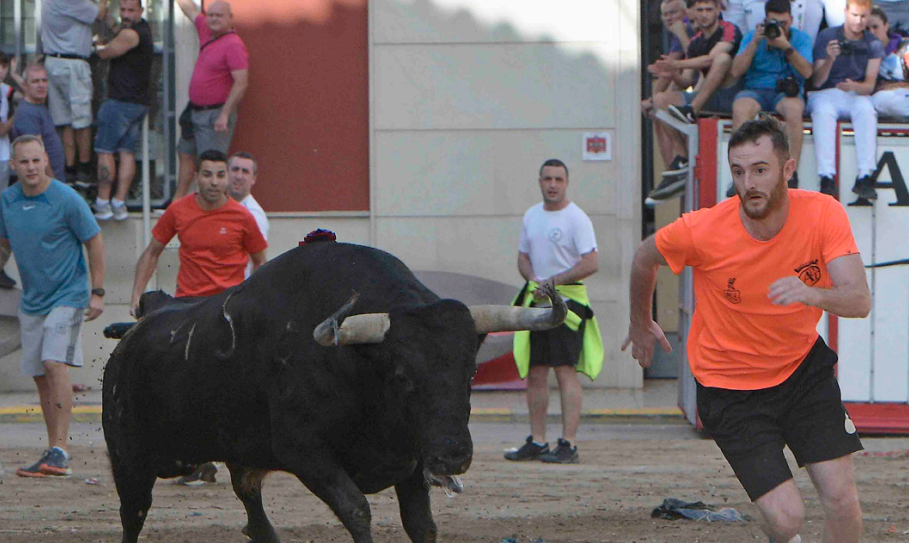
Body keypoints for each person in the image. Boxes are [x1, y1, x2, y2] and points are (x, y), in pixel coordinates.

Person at [624, 116, 868, 543]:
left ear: (787, 170)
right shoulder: (702, 229)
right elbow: (644, 258)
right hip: (730, 387)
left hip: (801, 372)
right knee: (787, 518)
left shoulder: (823, 213)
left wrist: (813, 295)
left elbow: (859, 300)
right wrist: (640, 322)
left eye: (760, 169)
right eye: (738, 171)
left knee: (842, 500)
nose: (748, 182)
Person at [1, 135, 106, 478]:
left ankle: (61, 449)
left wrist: (98, 291)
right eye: (24, 162)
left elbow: (94, 241)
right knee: (39, 375)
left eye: (36, 160)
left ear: (45, 160)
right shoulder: (7, 201)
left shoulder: (66, 199)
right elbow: (4, 247)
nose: (31, 167)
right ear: (13, 165)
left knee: (53, 363)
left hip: (69, 294)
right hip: (33, 300)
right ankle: (52, 449)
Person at [505, 159, 602, 465]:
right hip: (538, 304)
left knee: (564, 371)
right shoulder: (532, 216)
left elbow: (591, 262)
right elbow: (522, 257)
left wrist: (553, 283)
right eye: (547, 178)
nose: (552, 184)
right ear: (540, 181)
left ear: (566, 182)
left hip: (568, 305)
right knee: (535, 372)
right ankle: (537, 440)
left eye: (558, 179)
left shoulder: (577, 219)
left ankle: (568, 443)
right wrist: (532, 279)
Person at [646, 0, 743, 202]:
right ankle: (682, 158)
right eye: (700, 10)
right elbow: (687, 80)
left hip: (731, 97)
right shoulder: (696, 40)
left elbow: (711, 60)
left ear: (718, 10)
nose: (704, 14)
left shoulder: (729, 29)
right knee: (660, 100)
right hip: (704, 97)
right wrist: (671, 72)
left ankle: (692, 110)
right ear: (693, 13)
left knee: (722, 59)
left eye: (709, 9)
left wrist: (676, 63)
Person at [730, 0, 813, 190]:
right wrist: (754, 43)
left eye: (783, 23)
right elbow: (736, 72)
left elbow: (808, 73)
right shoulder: (753, 36)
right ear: (765, 21)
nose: (779, 28)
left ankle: (791, 175)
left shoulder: (800, 38)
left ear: (791, 20)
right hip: (756, 89)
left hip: (786, 91)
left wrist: (786, 46)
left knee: (794, 110)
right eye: (774, 23)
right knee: (740, 108)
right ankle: (740, 174)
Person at [172, 0, 249, 202]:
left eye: (219, 16)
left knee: (212, 168)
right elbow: (188, 9)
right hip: (194, 111)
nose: (213, 19)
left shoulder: (234, 45)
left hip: (215, 116)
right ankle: (177, 202)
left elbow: (241, 82)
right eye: (211, 15)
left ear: (230, 19)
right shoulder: (206, 30)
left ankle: (214, 211)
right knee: (186, 154)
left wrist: (224, 114)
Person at [807, 0, 883, 199]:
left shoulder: (872, 42)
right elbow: (817, 81)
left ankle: (865, 175)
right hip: (826, 92)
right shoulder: (827, 36)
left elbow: (869, 85)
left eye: (863, 16)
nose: (859, 21)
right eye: (855, 15)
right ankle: (826, 176)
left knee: (867, 110)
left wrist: (856, 87)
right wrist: (830, 59)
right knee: (822, 111)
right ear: (846, 12)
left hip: (855, 93)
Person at [92, 0, 154, 221]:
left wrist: (97, 46)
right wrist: (107, 16)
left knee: (105, 150)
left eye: (131, 11)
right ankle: (119, 203)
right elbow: (119, 28)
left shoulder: (131, 35)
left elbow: (107, 53)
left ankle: (103, 202)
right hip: (137, 104)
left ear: (141, 11)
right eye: (123, 10)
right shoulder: (141, 29)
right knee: (127, 152)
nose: (126, 14)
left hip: (119, 103)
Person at [41, 0, 109, 186]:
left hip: (54, 62)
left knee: (65, 122)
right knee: (82, 121)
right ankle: (84, 170)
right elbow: (99, 13)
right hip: (73, 65)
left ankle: (70, 170)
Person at [642, 0, 697, 190]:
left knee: (660, 106)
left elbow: (694, 59)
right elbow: (669, 69)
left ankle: (678, 163)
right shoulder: (677, 33)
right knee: (658, 108)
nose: (668, 18)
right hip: (693, 88)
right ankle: (674, 168)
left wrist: (652, 100)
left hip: (705, 93)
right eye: (664, 15)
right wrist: (652, 100)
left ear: (685, 12)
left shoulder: (687, 28)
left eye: (672, 13)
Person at [11, 63, 67, 183]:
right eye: (35, 81)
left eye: (44, 81)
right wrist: (52, 185)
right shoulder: (27, 113)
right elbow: (36, 154)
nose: (41, 85)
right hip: (45, 184)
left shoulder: (39, 105)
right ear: (25, 86)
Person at [227, 151, 269, 277]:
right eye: (235, 169)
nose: (239, 176)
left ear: (253, 179)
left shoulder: (254, 214)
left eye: (245, 171)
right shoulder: (216, 206)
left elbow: (259, 262)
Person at [868, 6, 909, 118]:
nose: (871, 32)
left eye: (875, 27)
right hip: (883, 100)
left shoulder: (904, 48)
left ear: (886, 26)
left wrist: (896, 85)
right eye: (867, 29)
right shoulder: (862, 52)